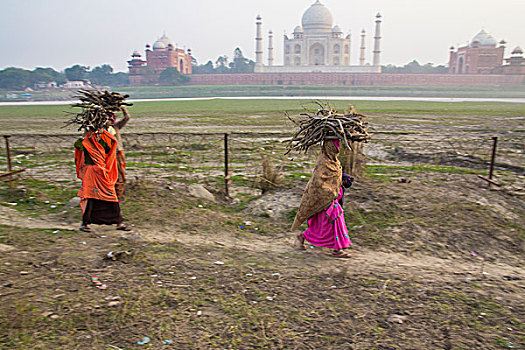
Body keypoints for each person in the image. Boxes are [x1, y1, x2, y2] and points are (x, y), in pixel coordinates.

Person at [292, 140, 352, 258]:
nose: (336, 150)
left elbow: (335, 177)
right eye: (334, 147)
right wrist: (330, 192)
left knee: (322, 227)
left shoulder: (334, 162)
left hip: (333, 201)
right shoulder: (324, 164)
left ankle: (302, 237)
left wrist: (343, 179)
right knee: (331, 225)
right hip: (325, 202)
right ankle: (337, 250)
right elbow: (319, 183)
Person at [75, 117, 131, 232]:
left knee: (109, 197)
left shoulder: (102, 137)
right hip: (94, 173)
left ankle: (118, 222)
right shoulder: (90, 138)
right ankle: (85, 223)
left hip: (102, 172)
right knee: (92, 197)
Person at [107, 106, 130, 201]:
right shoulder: (100, 130)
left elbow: (127, 118)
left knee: (120, 174)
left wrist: (123, 109)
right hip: (107, 155)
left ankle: (119, 193)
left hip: (117, 153)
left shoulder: (116, 127)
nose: (108, 121)